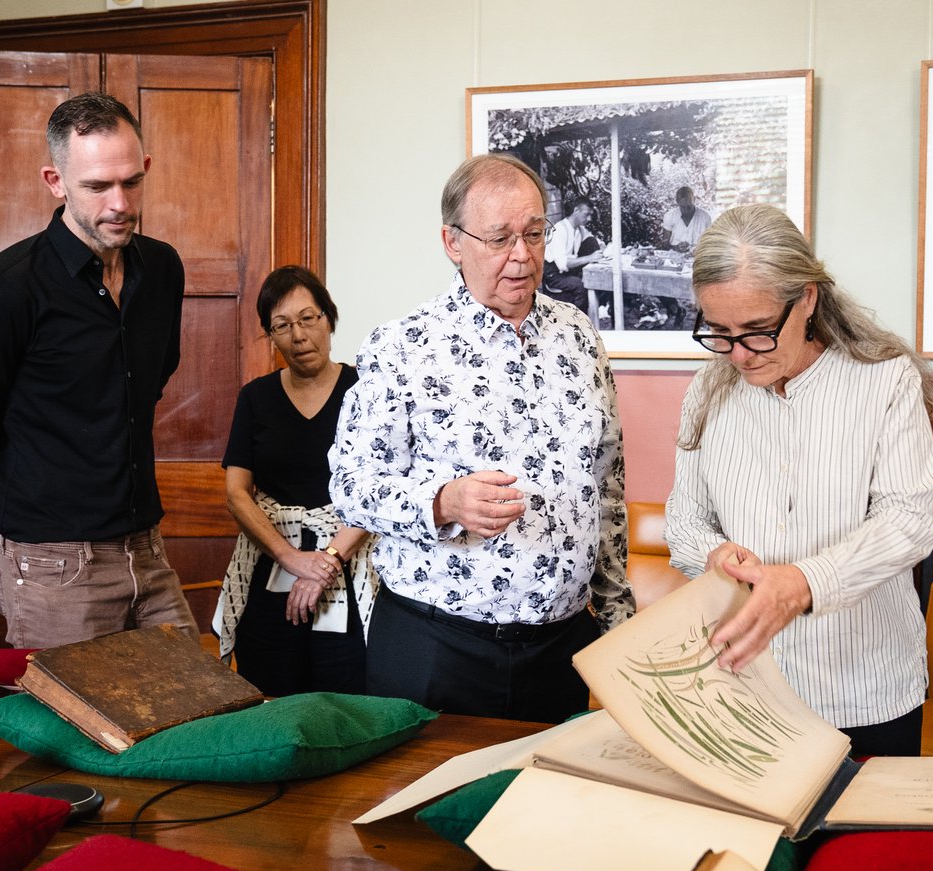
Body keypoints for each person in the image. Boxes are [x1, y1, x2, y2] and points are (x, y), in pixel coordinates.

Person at [329, 153, 634, 723]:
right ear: (453, 242)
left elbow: (608, 482)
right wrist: (442, 501)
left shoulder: (580, 337)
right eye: (499, 238)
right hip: (436, 647)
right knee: (420, 808)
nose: (522, 255)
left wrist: (619, 619)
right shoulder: (402, 347)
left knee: (546, 810)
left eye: (535, 233)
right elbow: (349, 487)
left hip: (560, 650)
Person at [665, 204, 933, 758]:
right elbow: (684, 519)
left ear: (808, 299)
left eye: (757, 332)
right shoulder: (708, 388)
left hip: (864, 691)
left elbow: (910, 522)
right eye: (719, 333)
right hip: (745, 693)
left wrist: (803, 582)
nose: (739, 355)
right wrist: (713, 554)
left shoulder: (883, 380)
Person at [0, 92, 198, 649]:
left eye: (131, 181)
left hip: (146, 550)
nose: (119, 203)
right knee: (74, 735)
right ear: (56, 181)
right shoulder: (9, 287)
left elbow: (152, 378)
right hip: (53, 563)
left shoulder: (163, 269)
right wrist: (17, 504)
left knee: (192, 720)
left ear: (146, 167)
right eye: (97, 187)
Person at [214, 266, 377, 696]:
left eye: (309, 319)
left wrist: (323, 563)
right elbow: (237, 493)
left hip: (350, 561)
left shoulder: (367, 390)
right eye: (282, 326)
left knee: (347, 691)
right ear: (270, 335)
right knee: (269, 690)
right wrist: (290, 557)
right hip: (270, 566)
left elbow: (381, 489)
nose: (299, 336)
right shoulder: (255, 397)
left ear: (329, 318)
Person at [542, 197, 606, 315]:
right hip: (553, 274)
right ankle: (576, 322)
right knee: (580, 285)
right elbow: (563, 264)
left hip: (567, 270)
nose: (589, 219)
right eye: (586, 215)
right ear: (576, 210)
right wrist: (591, 258)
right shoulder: (559, 230)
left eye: (590, 215)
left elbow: (595, 242)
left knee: (591, 242)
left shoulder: (579, 229)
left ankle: (596, 311)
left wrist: (601, 247)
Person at [660, 186, 713, 252]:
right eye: (682, 207)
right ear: (677, 202)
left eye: (689, 207)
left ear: (694, 200)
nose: (686, 210)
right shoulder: (669, 216)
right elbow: (665, 245)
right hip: (674, 259)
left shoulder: (705, 217)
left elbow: (710, 244)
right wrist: (676, 248)